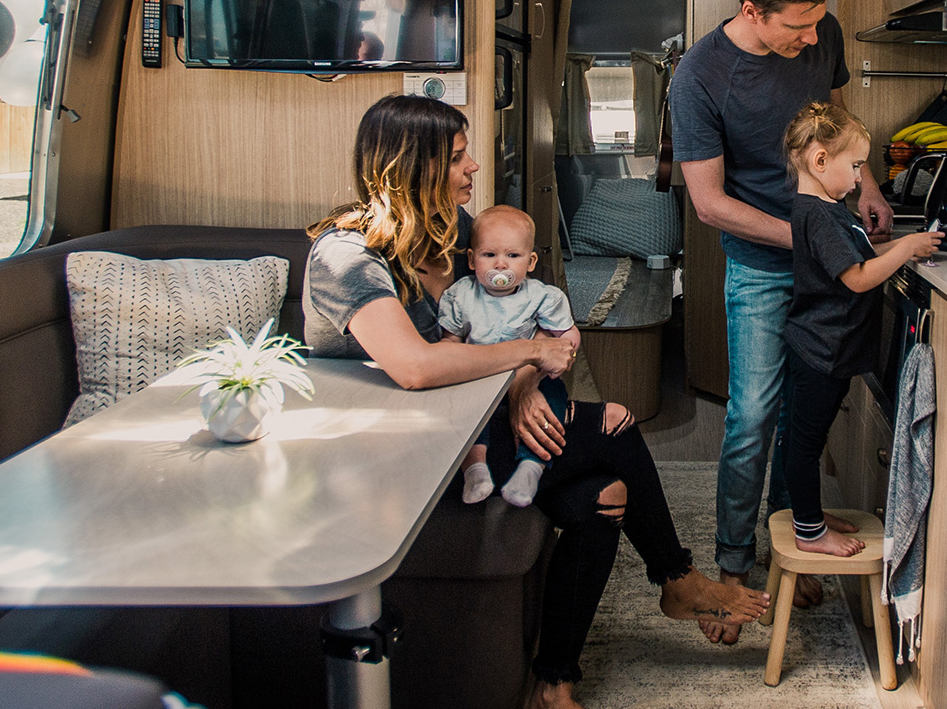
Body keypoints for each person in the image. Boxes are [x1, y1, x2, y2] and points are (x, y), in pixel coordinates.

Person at [302, 94, 767, 709]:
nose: (474, 167)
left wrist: (523, 377)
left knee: (606, 494)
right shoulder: (348, 256)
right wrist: (527, 355)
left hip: (474, 426)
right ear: (414, 167)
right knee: (614, 431)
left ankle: (554, 682)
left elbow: (525, 324)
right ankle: (677, 579)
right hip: (399, 456)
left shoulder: (457, 232)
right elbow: (415, 366)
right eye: (459, 157)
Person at [667, 0, 893, 643]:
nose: (813, 36)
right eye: (798, 24)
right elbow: (710, 204)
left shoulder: (821, 31)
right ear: (752, 11)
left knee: (805, 416)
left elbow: (835, 124)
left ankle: (790, 538)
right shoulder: (699, 76)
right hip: (764, 266)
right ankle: (732, 571)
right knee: (752, 417)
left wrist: (865, 186)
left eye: (818, 19)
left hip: (822, 263)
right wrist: (814, 237)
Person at [781, 103, 941, 554]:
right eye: (854, 166)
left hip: (824, 348)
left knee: (807, 440)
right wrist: (905, 247)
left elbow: (860, 255)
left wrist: (895, 246)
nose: (858, 179)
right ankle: (809, 532)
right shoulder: (819, 215)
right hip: (821, 352)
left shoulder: (827, 208)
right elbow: (857, 277)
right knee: (804, 445)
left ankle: (808, 513)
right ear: (820, 161)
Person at [440, 204, 579, 507]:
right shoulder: (460, 296)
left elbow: (566, 333)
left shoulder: (541, 296)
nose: (500, 265)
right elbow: (450, 342)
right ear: (471, 259)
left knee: (553, 396)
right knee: (464, 407)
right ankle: (475, 469)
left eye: (513, 256)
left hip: (527, 378)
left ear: (530, 262)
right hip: (478, 377)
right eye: (489, 255)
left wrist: (561, 355)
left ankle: (530, 468)